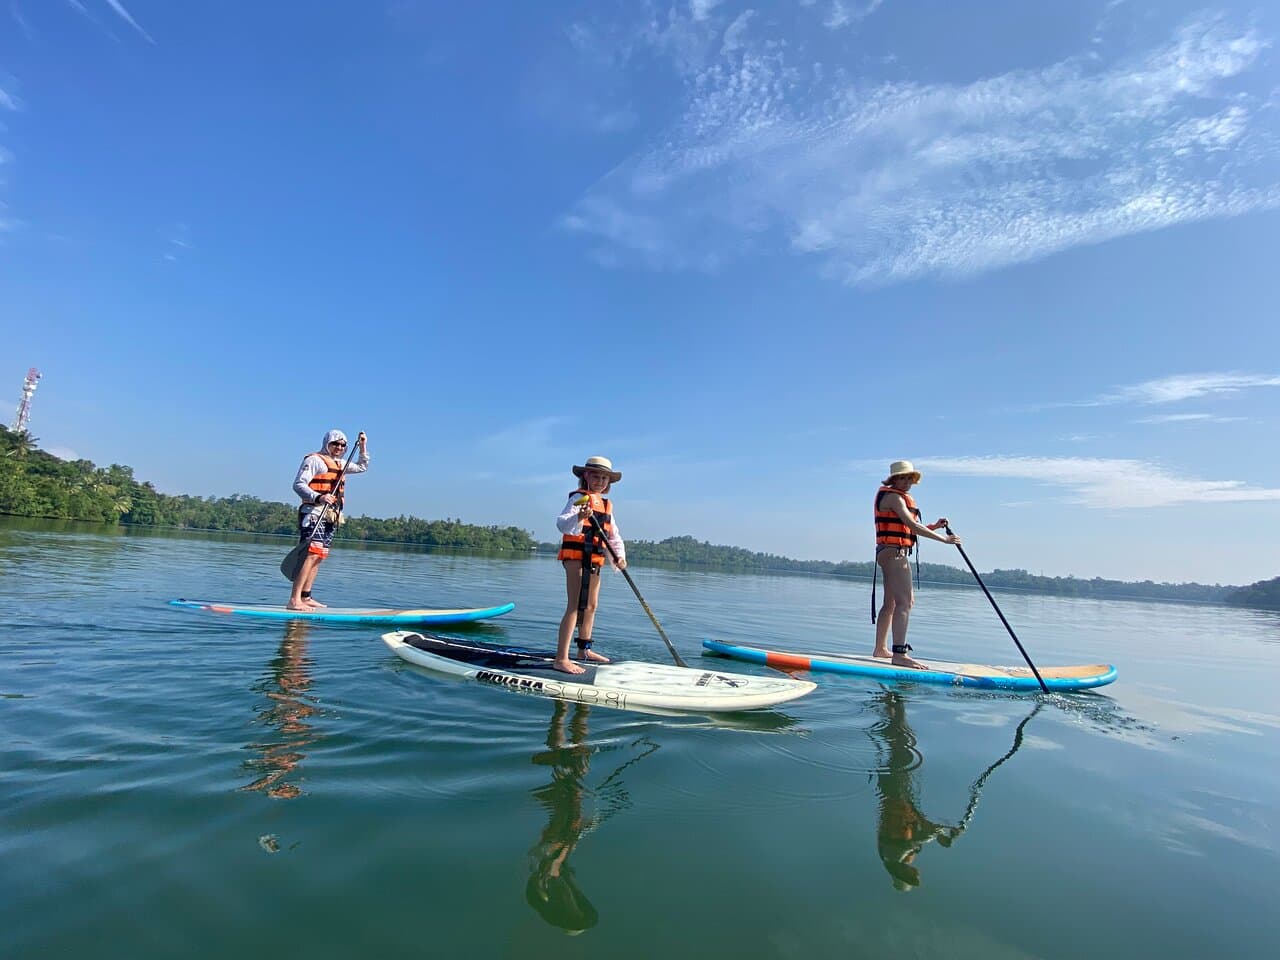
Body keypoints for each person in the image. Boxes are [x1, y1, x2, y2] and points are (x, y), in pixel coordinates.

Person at [873, 460, 959, 668]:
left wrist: (935, 527)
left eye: (909, 478)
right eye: (902, 478)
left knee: (891, 603)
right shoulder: (893, 497)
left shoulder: (892, 497)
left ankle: (880, 649)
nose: (906, 482)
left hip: (888, 551)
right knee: (906, 602)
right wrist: (944, 540)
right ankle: (900, 654)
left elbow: (908, 530)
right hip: (894, 554)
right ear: (893, 479)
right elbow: (911, 524)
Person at [554, 456, 626, 675]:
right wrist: (579, 517)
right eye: (596, 476)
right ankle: (561, 658)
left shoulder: (605, 505)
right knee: (575, 605)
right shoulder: (579, 498)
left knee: (591, 606)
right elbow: (562, 523)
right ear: (586, 476)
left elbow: (613, 535)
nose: (600, 481)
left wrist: (619, 557)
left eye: (604, 478)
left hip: (594, 559)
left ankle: (583, 650)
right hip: (576, 559)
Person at [287, 429, 369, 611]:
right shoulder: (314, 460)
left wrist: (363, 445)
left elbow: (363, 466)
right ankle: (294, 600)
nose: (339, 448)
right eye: (335, 444)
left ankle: (305, 597)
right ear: (327, 443)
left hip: (332, 515)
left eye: (342, 445)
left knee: (319, 556)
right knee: (310, 554)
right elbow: (298, 484)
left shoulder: (342, 463)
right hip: (313, 512)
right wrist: (318, 497)